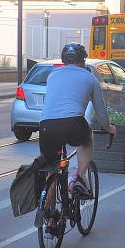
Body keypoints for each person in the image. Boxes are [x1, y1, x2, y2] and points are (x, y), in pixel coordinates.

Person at [39, 42, 117, 197]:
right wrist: (109, 128)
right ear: (83, 60)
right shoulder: (90, 78)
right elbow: (101, 112)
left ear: (64, 60)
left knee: (52, 170)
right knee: (87, 138)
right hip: (73, 123)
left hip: (46, 125)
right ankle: (79, 178)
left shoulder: (52, 76)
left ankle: (49, 214)